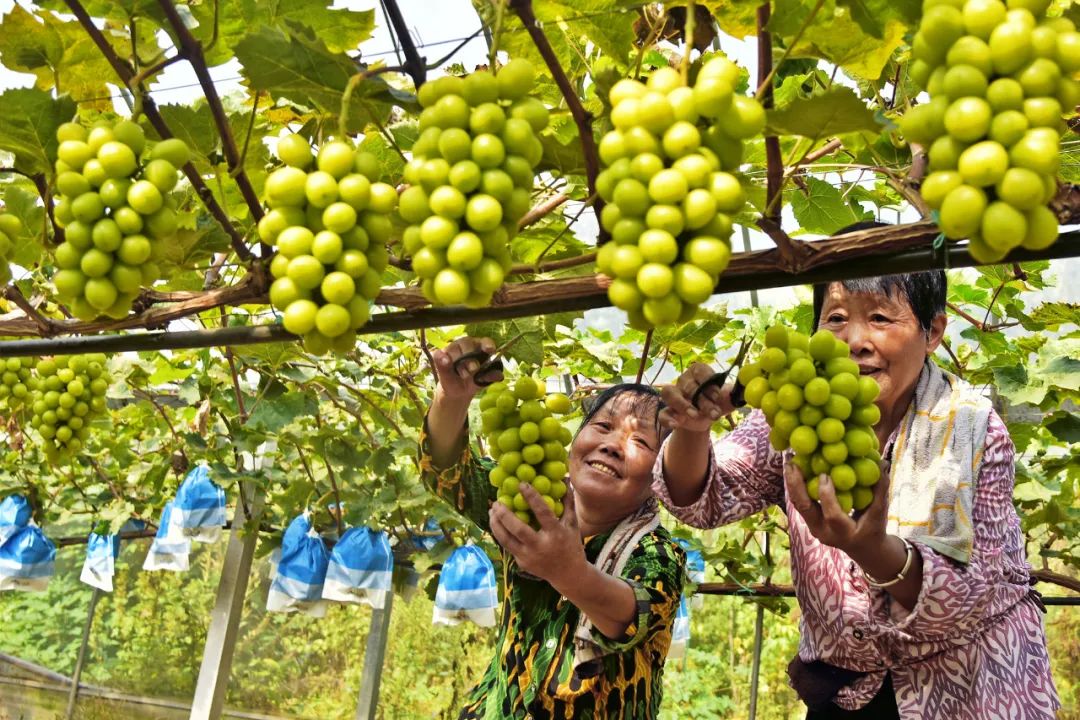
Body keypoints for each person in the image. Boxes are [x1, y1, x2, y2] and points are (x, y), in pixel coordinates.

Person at [654, 249, 1059, 717]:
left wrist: (870, 550)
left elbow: (963, 599)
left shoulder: (971, 428)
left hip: (973, 691)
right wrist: (692, 429)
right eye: (837, 317)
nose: (855, 340)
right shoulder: (798, 414)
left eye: (881, 317)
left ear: (933, 332)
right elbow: (703, 499)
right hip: (845, 696)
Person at [420, 336, 685, 719]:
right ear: (574, 440)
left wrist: (569, 572)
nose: (613, 444)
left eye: (641, 441)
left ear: (659, 476)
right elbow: (448, 474)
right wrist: (453, 398)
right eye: (603, 426)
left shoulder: (657, 552)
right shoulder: (528, 505)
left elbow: (631, 613)